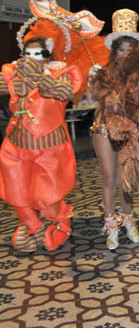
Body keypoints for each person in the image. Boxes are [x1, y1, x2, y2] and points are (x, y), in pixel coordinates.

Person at [0, 36, 82, 252]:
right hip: (16, 143)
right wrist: (17, 78)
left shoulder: (61, 75)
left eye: (38, 54)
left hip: (49, 145)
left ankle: (60, 220)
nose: (32, 58)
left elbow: (65, 93)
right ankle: (30, 224)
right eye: (28, 53)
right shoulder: (13, 74)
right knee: (16, 187)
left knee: (47, 193)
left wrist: (39, 77)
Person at [89, 9, 139, 250]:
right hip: (103, 128)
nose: (126, 54)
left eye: (130, 49)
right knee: (110, 178)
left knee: (126, 181)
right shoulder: (103, 72)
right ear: (115, 51)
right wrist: (96, 86)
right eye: (122, 49)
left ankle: (128, 219)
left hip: (129, 131)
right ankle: (111, 226)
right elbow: (91, 101)